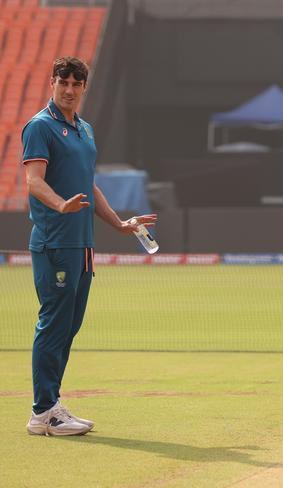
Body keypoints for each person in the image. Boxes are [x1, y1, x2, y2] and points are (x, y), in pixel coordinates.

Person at [22, 57, 157, 436]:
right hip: (55, 242)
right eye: (62, 82)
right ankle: (42, 412)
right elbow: (33, 181)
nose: (69, 89)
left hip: (82, 244)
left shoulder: (85, 129)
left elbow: (89, 183)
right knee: (53, 326)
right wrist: (59, 204)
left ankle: (51, 405)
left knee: (69, 328)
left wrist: (119, 223)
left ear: (84, 88)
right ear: (52, 83)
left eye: (76, 84)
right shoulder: (40, 127)